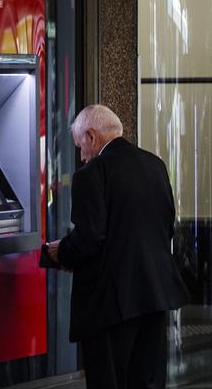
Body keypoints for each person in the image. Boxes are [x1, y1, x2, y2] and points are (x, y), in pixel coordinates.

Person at [47, 105, 189, 388]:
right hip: (154, 294)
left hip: (111, 304)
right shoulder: (154, 164)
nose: (81, 156)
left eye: (79, 146)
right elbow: (166, 225)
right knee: (148, 380)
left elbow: (90, 238)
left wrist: (61, 251)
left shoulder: (92, 174)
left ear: (91, 136)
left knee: (109, 380)